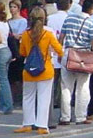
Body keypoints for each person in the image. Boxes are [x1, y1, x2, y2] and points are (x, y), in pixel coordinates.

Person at [13, 7, 63, 135]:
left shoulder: (25, 34)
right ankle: (42, 125)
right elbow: (60, 50)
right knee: (43, 98)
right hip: (45, 70)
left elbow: (22, 52)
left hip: (29, 70)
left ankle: (27, 123)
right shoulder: (48, 34)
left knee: (28, 97)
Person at [58, 0, 93, 125]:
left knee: (65, 87)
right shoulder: (91, 23)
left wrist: (60, 53)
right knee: (82, 87)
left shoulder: (69, 19)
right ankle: (80, 116)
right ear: (92, 9)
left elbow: (61, 38)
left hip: (68, 54)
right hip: (83, 56)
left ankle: (65, 117)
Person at [45, 0, 70, 126]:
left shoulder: (50, 19)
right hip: (66, 55)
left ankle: (48, 117)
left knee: (50, 88)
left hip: (52, 55)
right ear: (69, 5)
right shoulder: (70, 18)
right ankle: (65, 115)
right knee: (65, 87)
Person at [7, 0, 28, 103]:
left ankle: (20, 96)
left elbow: (23, 34)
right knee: (12, 75)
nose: (12, 9)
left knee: (20, 73)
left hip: (19, 46)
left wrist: (17, 36)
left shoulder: (23, 21)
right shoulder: (8, 21)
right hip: (10, 47)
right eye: (11, 7)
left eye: (14, 7)